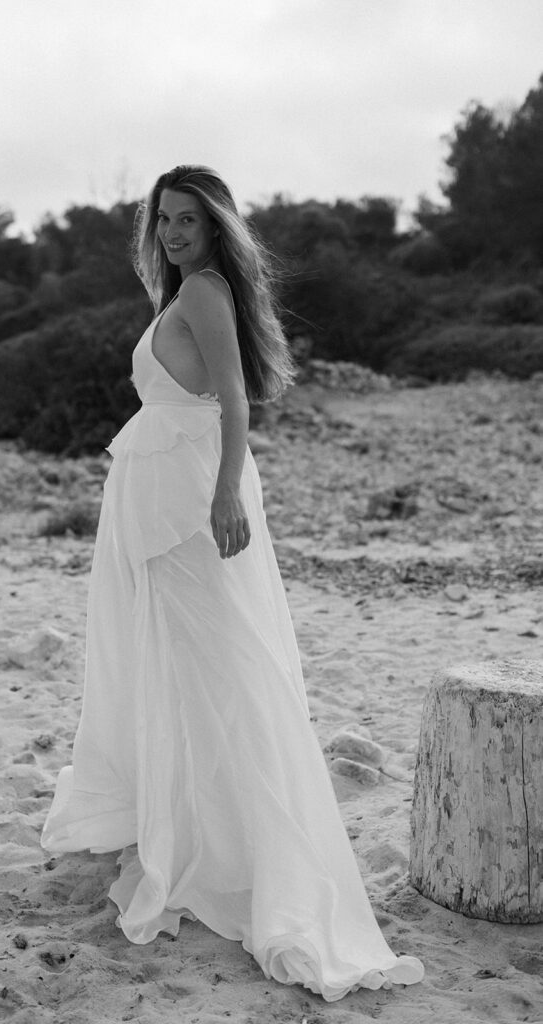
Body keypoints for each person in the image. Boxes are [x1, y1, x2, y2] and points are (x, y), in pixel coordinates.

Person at [40, 165, 424, 1001]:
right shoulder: (182, 292)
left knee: (218, 667)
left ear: (215, 228)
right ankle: (186, 826)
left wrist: (221, 494)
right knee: (178, 670)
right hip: (160, 498)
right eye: (165, 220)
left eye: (188, 220)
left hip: (190, 504)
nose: (174, 233)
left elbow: (234, 401)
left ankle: (233, 848)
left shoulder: (206, 293)